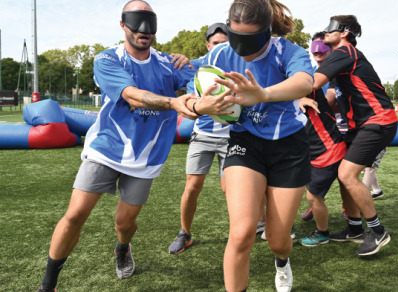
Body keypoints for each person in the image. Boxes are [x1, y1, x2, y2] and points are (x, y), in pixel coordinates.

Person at [36, 1, 200, 291]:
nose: (144, 29)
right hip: (106, 148)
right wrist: (173, 102)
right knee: (75, 214)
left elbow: (202, 80)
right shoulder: (107, 60)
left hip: (147, 156)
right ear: (123, 24)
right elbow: (132, 95)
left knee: (125, 224)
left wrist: (191, 64)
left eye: (150, 21)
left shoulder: (167, 63)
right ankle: (48, 284)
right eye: (137, 21)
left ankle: (122, 248)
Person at [186, 1, 314, 290]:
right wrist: (198, 104)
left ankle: (282, 262)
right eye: (235, 38)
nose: (242, 49)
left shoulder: (288, 51)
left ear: (268, 32)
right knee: (242, 233)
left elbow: (305, 82)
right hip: (245, 143)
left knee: (279, 241)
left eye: (251, 40)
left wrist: (263, 94)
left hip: (288, 148)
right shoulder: (219, 54)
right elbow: (189, 90)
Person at [314, 15, 398, 256]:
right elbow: (330, 97)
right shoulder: (341, 59)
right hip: (359, 125)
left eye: (329, 29)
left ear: (343, 32)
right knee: (344, 175)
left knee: (346, 174)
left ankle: (378, 231)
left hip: (377, 122)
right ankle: (354, 228)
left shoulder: (343, 52)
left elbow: (313, 81)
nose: (324, 32)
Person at [168, 22, 231, 255]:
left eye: (226, 44)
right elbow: (188, 104)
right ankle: (184, 233)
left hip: (231, 138)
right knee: (192, 187)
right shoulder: (194, 67)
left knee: (231, 189)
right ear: (208, 45)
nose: (221, 48)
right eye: (216, 44)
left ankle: (242, 230)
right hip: (202, 135)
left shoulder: (238, 64)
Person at [298, 88, 347, 247]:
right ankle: (353, 221)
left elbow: (307, 84)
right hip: (314, 152)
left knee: (313, 196)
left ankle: (322, 233)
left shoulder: (309, 87)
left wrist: (299, 98)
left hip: (328, 151)